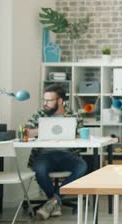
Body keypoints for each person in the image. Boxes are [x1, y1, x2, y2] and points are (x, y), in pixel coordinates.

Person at [24, 84, 87, 220]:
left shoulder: (74, 116)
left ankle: (52, 201)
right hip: (45, 155)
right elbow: (26, 131)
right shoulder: (40, 114)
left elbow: (82, 135)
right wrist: (42, 131)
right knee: (39, 169)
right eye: (44, 100)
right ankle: (54, 202)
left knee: (82, 167)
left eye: (49, 100)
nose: (45, 104)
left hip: (67, 155)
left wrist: (71, 135)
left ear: (59, 101)